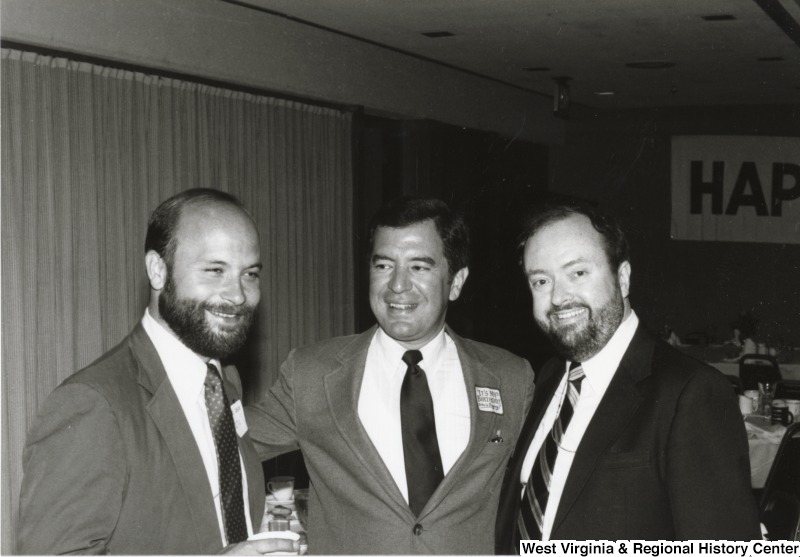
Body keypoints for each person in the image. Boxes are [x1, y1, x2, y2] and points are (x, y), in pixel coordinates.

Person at [246, 197, 534, 554]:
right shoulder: (312, 373)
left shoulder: (510, 378)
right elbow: (221, 451)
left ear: (456, 282)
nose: (397, 285)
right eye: (384, 265)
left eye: (419, 267)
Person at [18, 189, 297, 555]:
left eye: (250, 274)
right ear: (158, 270)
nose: (238, 295)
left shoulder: (224, 382)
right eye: (215, 270)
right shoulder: (94, 404)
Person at [495, 198, 761, 549]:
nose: (558, 298)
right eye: (541, 281)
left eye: (578, 273)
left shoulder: (690, 394)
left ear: (622, 278)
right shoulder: (547, 379)